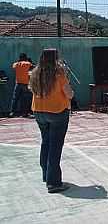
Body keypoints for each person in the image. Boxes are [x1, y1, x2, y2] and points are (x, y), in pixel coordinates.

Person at [29, 48, 74, 193]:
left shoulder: (35, 73)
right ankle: (54, 182)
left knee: (46, 142)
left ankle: (46, 175)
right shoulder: (59, 74)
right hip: (57, 112)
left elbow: (32, 89)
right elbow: (69, 94)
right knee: (55, 146)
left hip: (39, 111)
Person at [9, 53, 33, 117]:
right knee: (26, 99)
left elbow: (14, 66)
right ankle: (25, 113)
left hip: (18, 83)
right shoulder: (28, 64)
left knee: (15, 99)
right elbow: (33, 67)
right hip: (26, 84)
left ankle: (12, 112)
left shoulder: (16, 64)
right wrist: (28, 61)